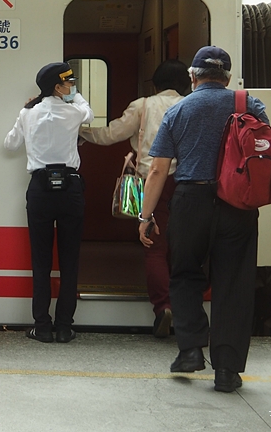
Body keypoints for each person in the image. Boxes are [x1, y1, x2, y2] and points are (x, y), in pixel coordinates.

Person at [137, 46, 271, 392]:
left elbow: (158, 169)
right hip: (238, 205)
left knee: (184, 275)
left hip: (191, 201)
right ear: (228, 77)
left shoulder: (179, 109)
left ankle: (191, 350)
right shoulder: (249, 104)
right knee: (234, 283)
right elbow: (269, 157)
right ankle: (227, 371)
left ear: (193, 76)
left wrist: (146, 215)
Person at [78, 59, 190, 338]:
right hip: (187, 183)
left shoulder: (143, 106)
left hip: (152, 182)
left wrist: (77, 130)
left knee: (154, 248)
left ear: (155, 84)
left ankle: (163, 307)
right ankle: (187, 309)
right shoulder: (191, 105)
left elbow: (110, 134)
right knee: (184, 248)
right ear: (186, 83)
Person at [4, 62, 93, 343]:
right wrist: (76, 97)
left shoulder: (28, 113)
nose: (72, 87)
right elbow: (88, 112)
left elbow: (10, 144)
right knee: (70, 260)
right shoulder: (74, 111)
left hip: (40, 189)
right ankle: (64, 327)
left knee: (40, 261)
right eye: (69, 84)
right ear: (58, 87)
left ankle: (42, 326)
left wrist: (27, 111)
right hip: (70, 189)